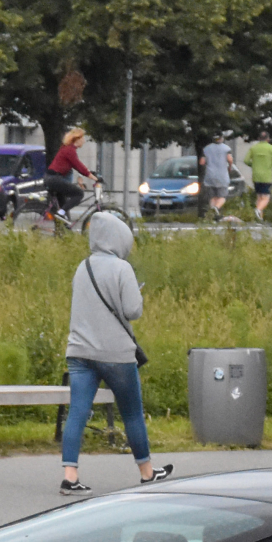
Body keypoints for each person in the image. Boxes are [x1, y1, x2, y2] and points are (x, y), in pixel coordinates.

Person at [59, 209, 171, 494]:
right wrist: (138, 293)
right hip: (116, 354)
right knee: (132, 413)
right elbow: (133, 311)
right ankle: (146, 473)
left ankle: (70, 476)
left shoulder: (81, 267)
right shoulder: (123, 269)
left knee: (77, 413)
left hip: (80, 352)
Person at [45, 127, 97, 229]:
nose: (84, 141)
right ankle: (60, 214)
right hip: (54, 179)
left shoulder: (67, 148)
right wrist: (95, 178)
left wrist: (90, 173)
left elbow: (77, 165)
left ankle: (63, 233)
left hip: (52, 178)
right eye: (82, 138)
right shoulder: (70, 150)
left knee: (64, 210)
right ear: (77, 139)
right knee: (79, 193)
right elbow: (78, 166)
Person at [246, 133, 272, 221]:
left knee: (259, 197)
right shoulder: (271, 148)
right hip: (266, 176)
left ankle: (259, 218)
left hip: (256, 175)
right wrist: (269, 164)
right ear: (268, 139)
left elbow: (246, 160)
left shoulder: (253, 148)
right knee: (266, 197)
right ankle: (258, 210)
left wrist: (253, 165)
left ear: (258, 138)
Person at [200, 135, 232, 221]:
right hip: (222, 176)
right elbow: (230, 159)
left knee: (213, 197)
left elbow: (202, 162)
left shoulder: (206, 148)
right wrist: (230, 167)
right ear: (222, 139)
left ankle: (213, 216)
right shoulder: (226, 148)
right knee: (222, 196)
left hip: (210, 176)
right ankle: (216, 208)